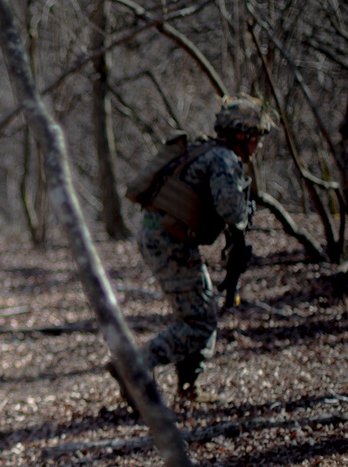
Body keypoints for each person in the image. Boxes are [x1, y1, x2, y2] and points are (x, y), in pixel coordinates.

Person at [109, 94, 274, 407]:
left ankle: (188, 387)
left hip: (165, 239)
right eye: (257, 137)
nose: (259, 145)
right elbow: (231, 211)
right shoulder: (223, 159)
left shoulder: (206, 150)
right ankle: (134, 367)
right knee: (198, 320)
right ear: (242, 135)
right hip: (169, 243)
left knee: (202, 312)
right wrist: (248, 210)